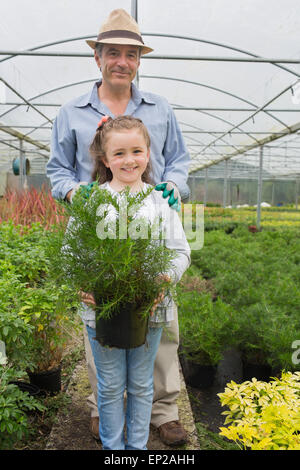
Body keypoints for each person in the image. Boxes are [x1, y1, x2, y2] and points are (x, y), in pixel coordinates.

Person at [47, 8, 191, 446]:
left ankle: (162, 415)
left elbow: (181, 162)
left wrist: (173, 188)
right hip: (99, 227)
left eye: (131, 54)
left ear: (139, 60)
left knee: (160, 330)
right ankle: (104, 409)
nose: (122, 61)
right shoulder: (71, 111)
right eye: (113, 52)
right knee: (103, 327)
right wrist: (77, 195)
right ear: (98, 58)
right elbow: (56, 172)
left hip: (152, 222)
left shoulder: (160, 108)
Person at [77, 115, 190, 450]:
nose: (129, 160)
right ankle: (113, 449)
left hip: (150, 307)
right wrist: (81, 283)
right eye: (119, 153)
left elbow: (180, 251)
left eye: (137, 151)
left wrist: (166, 277)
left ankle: (136, 449)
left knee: (142, 385)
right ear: (105, 159)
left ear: (149, 152)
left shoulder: (160, 202)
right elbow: (73, 251)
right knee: (110, 386)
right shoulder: (92, 202)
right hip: (102, 311)